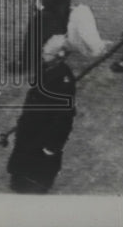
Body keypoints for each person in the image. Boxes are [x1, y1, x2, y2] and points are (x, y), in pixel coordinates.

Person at [6, 34, 76, 194]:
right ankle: (20, 178)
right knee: (23, 155)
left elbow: (64, 117)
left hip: (45, 130)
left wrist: (53, 145)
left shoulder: (63, 80)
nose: (44, 52)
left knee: (38, 170)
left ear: (60, 55)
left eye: (48, 52)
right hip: (31, 123)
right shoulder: (46, 67)